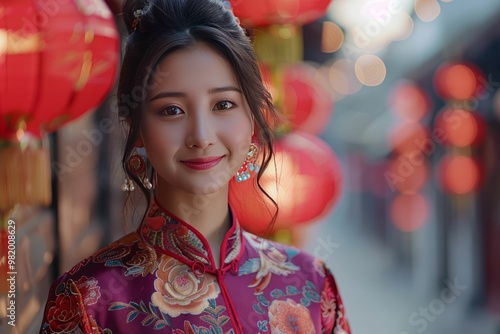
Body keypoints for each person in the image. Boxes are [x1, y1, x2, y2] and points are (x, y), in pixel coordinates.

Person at [40, 0, 351, 333]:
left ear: (253, 118)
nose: (201, 136)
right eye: (172, 110)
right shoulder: (90, 300)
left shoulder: (311, 285)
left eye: (223, 104)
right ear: (136, 126)